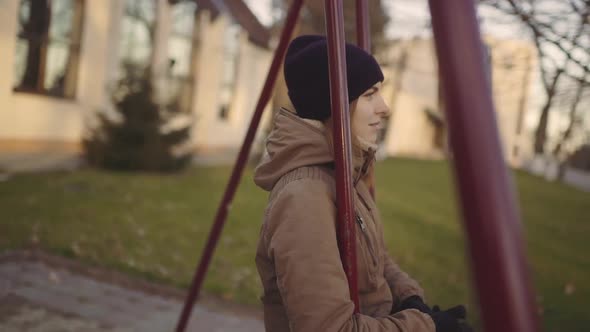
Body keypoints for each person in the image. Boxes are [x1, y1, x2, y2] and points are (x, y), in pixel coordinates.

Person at [254, 35, 469, 332]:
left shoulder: (342, 174)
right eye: (370, 94)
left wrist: (409, 298)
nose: (384, 108)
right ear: (332, 106)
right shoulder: (304, 198)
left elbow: (374, 260)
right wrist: (425, 327)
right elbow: (332, 328)